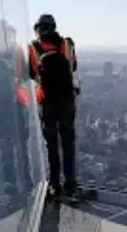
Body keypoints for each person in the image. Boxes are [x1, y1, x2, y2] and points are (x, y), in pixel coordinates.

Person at [27, 14, 80, 202]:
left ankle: (54, 186)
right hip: (66, 99)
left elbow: (32, 73)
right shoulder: (67, 44)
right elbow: (73, 67)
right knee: (68, 143)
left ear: (38, 28)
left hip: (46, 101)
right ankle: (71, 185)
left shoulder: (32, 48)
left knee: (51, 145)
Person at [0, 19, 33, 199]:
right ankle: (26, 182)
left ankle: (11, 185)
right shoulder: (14, 51)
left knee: (6, 148)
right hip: (15, 104)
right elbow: (26, 75)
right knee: (20, 147)